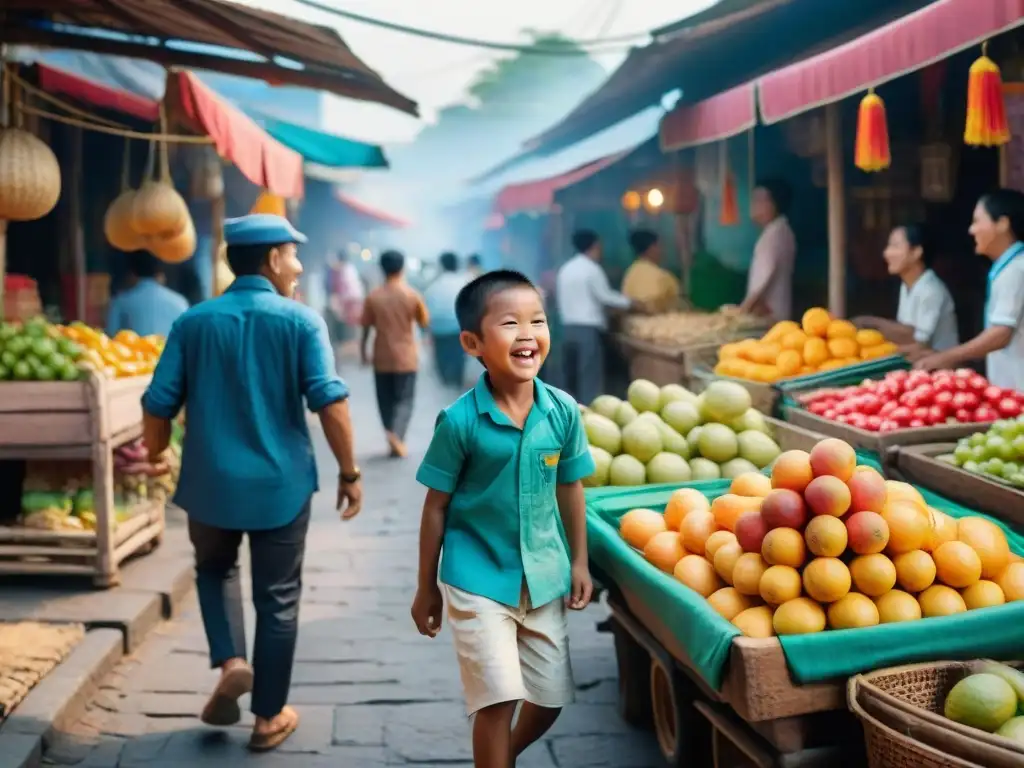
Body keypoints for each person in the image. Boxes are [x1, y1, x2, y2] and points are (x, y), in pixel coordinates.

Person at [140, 214, 362, 753]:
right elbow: (329, 402)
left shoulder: (193, 322)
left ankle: (233, 662)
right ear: (271, 260)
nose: (299, 264)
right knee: (278, 598)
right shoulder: (302, 321)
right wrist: (349, 471)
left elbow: (157, 403)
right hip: (280, 486)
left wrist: (153, 455)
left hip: (209, 484)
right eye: (292, 253)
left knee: (214, 570)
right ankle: (267, 718)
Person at [411, 269, 595, 768]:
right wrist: (426, 587)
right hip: (477, 577)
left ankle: (501, 759)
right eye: (510, 323)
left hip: (544, 575)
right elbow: (436, 508)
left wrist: (579, 560)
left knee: (550, 699)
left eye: (537, 321)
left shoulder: (562, 412)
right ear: (472, 342)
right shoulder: (459, 422)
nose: (528, 334)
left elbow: (570, 488)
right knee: (497, 699)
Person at [917, 189, 1024, 390]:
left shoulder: (1016, 270)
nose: (971, 230)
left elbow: (1000, 333)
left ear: (1002, 224)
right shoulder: (1010, 267)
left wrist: (946, 357)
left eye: (977, 221)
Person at [555, 229, 641, 406]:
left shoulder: (566, 269)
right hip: (587, 331)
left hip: (568, 329)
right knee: (589, 377)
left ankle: (570, 412)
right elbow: (605, 296)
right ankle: (590, 413)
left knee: (572, 377)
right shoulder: (592, 269)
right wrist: (631, 303)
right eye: (599, 246)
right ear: (594, 246)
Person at [361, 250, 430, 457]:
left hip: (381, 357)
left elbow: (365, 328)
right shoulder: (412, 295)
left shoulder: (373, 296)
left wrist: (363, 351)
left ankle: (390, 432)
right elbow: (424, 321)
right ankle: (397, 435)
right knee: (405, 399)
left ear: (382, 268)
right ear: (402, 268)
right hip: (406, 357)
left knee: (385, 399)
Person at [853, 224, 959, 358]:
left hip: (941, 370)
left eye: (895, 246)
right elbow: (906, 331)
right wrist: (871, 323)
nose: (887, 253)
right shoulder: (907, 285)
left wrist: (874, 349)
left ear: (916, 252)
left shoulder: (931, 290)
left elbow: (921, 344)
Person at [734, 178, 796, 321]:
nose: (754, 205)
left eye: (760, 200)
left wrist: (744, 309)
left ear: (775, 204)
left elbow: (764, 277)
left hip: (768, 315)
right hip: (776, 311)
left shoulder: (773, 236)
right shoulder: (782, 231)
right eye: (754, 199)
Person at [106, 251, 189, 338]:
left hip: (135, 351)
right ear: (161, 273)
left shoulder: (121, 302)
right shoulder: (180, 302)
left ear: (131, 274)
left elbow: (111, 338)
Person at [424, 252, 469, 388]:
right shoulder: (464, 283)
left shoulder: (434, 285)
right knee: (458, 358)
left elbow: (427, 311)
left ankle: (445, 383)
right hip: (458, 328)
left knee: (442, 359)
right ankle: (456, 384)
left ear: (442, 265)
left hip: (439, 330)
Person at [621, 229, 680, 314]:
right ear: (652, 248)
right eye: (659, 246)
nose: (662, 251)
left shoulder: (630, 274)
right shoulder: (661, 276)